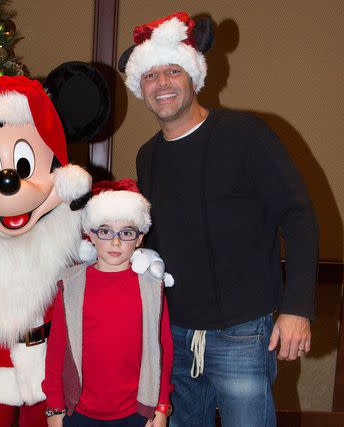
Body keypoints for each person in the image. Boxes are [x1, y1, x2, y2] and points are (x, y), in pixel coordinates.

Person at [118, 11, 319, 427]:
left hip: (243, 333)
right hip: (172, 333)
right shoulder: (148, 156)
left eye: (173, 71)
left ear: (194, 77)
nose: (162, 84)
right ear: (140, 86)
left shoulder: (246, 134)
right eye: (151, 75)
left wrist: (297, 307)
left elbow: (298, 217)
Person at [42, 178, 174, 427]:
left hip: (137, 411)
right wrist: (54, 408)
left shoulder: (152, 287)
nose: (115, 242)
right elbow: (57, 349)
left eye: (126, 233)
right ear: (91, 234)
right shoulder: (71, 284)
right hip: (78, 412)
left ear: (139, 238)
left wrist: (161, 407)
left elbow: (163, 349)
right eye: (105, 231)